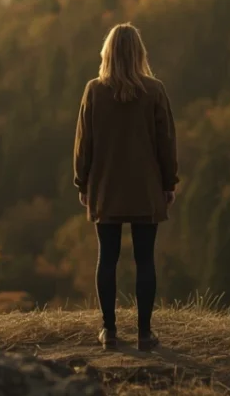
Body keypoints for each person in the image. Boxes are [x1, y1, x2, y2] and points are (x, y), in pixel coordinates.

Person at [73, 22, 179, 351]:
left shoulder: (94, 90)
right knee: (145, 260)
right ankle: (145, 334)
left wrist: (82, 181)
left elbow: (83, 144)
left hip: (106, 188)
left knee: (108, 258)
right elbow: (167, 144)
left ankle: (110, 331)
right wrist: (168, 181)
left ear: (107, 54)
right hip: (146, 189)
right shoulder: (155, 90)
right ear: (139, 54)